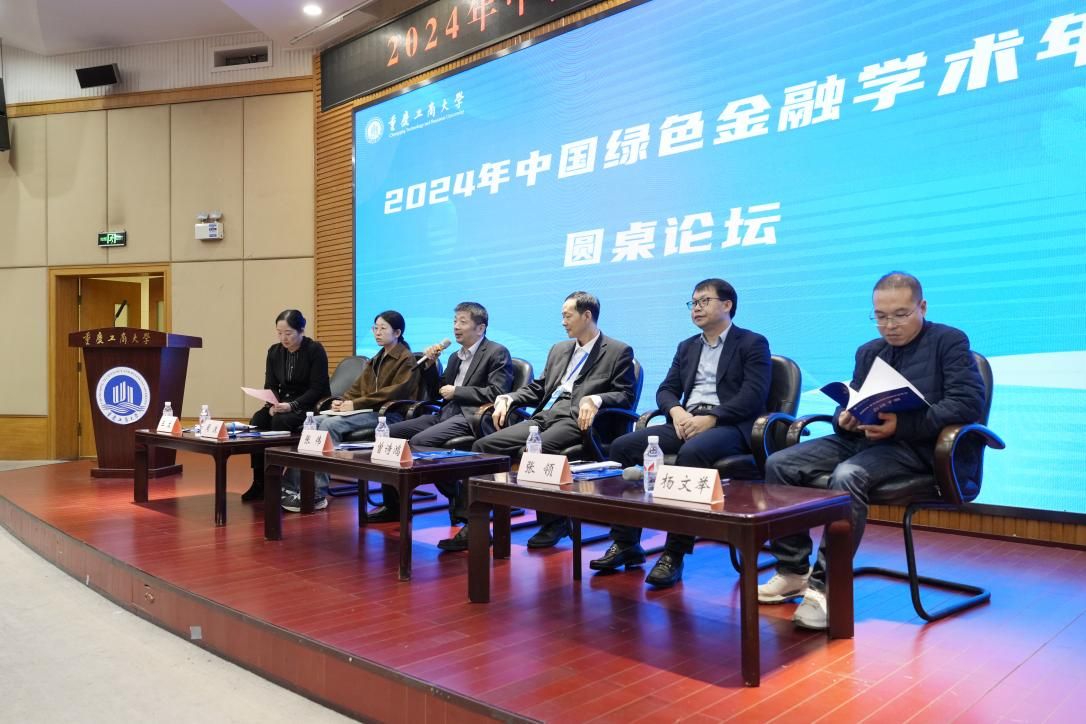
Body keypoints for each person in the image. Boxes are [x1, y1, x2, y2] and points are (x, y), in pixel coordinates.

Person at [758, 272, 985, 630]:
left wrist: (902, 425)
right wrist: (844, 418)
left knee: (848, 476)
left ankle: (826, 586)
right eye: (880, 316)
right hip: (864, 439)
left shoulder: (949, 341)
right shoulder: (869, 351)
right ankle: (792, 570)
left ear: (922, 307)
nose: (890, 325)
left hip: (917, 448)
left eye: (900, 314)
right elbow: (855, 398)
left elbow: (967, 403)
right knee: (779, 463)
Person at [589, 278, 772, 587]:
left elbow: (753, 396)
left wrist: (712, 418)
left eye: (704, 301)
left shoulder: (752, 343)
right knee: (622, 446)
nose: (696, 308)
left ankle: (674, 553)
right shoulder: (687, 346)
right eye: (693, 303)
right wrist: (676, 412)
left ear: (727, 305)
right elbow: (666, 390)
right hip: (687, 420)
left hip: (730, 426)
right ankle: (626, 542)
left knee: (691, 454)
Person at [450, 292, 637, 551]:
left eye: (567, 316)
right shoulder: (560, 349)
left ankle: (554, 522)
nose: (563, 322)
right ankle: (474, 522)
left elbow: (625, 395)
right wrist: (510, 397)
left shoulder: (618, 350)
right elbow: (539, 388)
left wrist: (597, 399)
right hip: (545, 415)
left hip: (578, 420)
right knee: (483, 446)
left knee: (534, 451)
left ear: (586, 315)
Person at [368, 302, 513, 524]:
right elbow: (439, 392)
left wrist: (458, 392)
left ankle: (457, 493)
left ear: (480, 328)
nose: (456, 327)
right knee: (388, 433)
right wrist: (430, 366)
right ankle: (394, 506)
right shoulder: (455, 356)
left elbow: (497, 392)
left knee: (419, 442)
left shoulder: (496, 352)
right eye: (455, 321)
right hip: (446, 413)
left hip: (472, 416)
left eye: (462, 322)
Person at [280, 310, 420, 513]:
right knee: (314, 423)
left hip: (388, 415)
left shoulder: (406, 359)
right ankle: (290, 486)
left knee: (330, 425)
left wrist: (355, 404)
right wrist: (343, 401)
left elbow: (393, 393)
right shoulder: (377, 358)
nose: (377, 332)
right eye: (375, 328)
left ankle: (317, 493)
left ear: (397, 333)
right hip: (368, 411)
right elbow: (357, 387)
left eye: (383, 328)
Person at [242, 309, 330, 502]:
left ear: (301, 331)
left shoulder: (314, 350)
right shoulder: (274, 351)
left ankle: (277, 481)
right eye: (279, 333)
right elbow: (271, 385)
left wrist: (292, 405)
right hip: (283, 402)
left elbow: (318, 388)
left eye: (288, 333)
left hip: (309, 404)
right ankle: (259, 481)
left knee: (280, 422)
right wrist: (272, 404)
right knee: (257, 420)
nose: (283, 338)